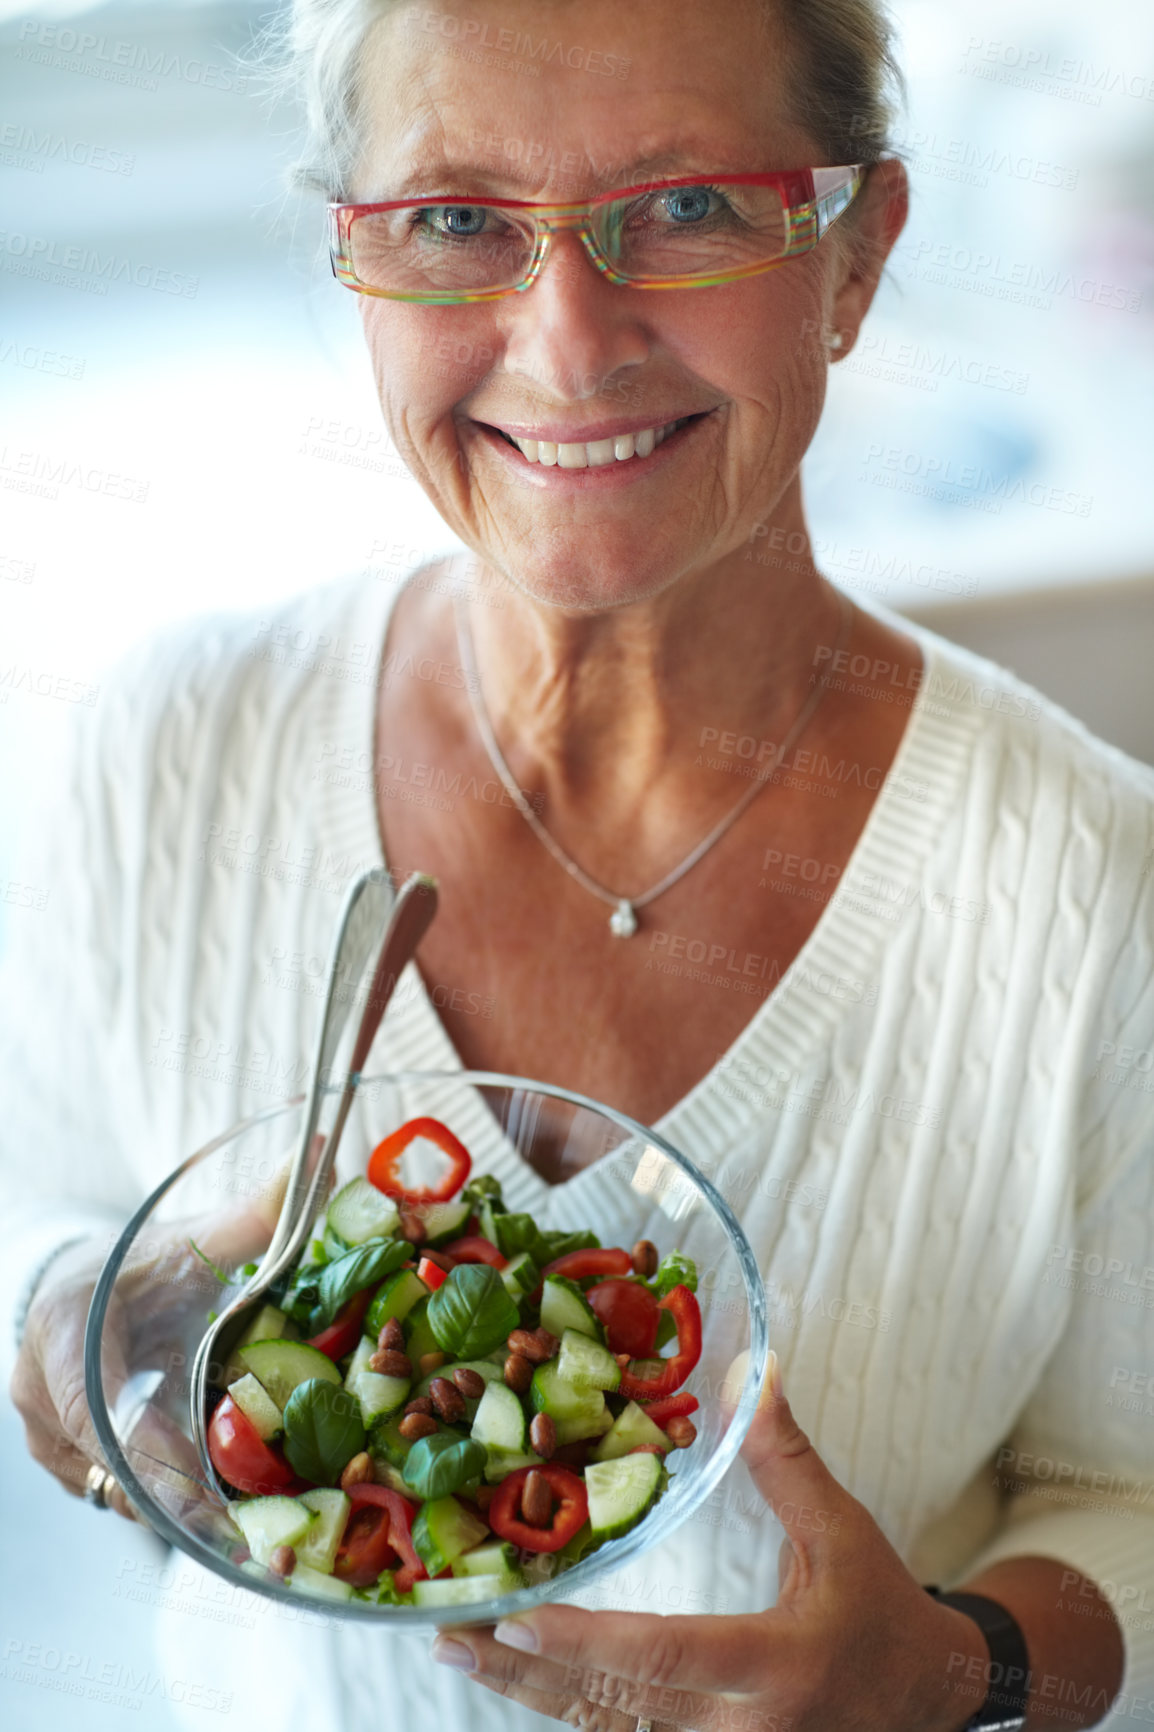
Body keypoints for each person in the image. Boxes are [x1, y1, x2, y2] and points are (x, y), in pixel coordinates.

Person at [5, 1, 1154, 1729]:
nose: (565, 344)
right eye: (457, 218)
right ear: (354, 257)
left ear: (854, 256)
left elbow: (1135, 1493)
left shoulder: (1092, 893)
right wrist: (77, 1321)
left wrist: (953, 1669)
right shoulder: (155, 749)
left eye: (687, 205)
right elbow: (49, 1210)